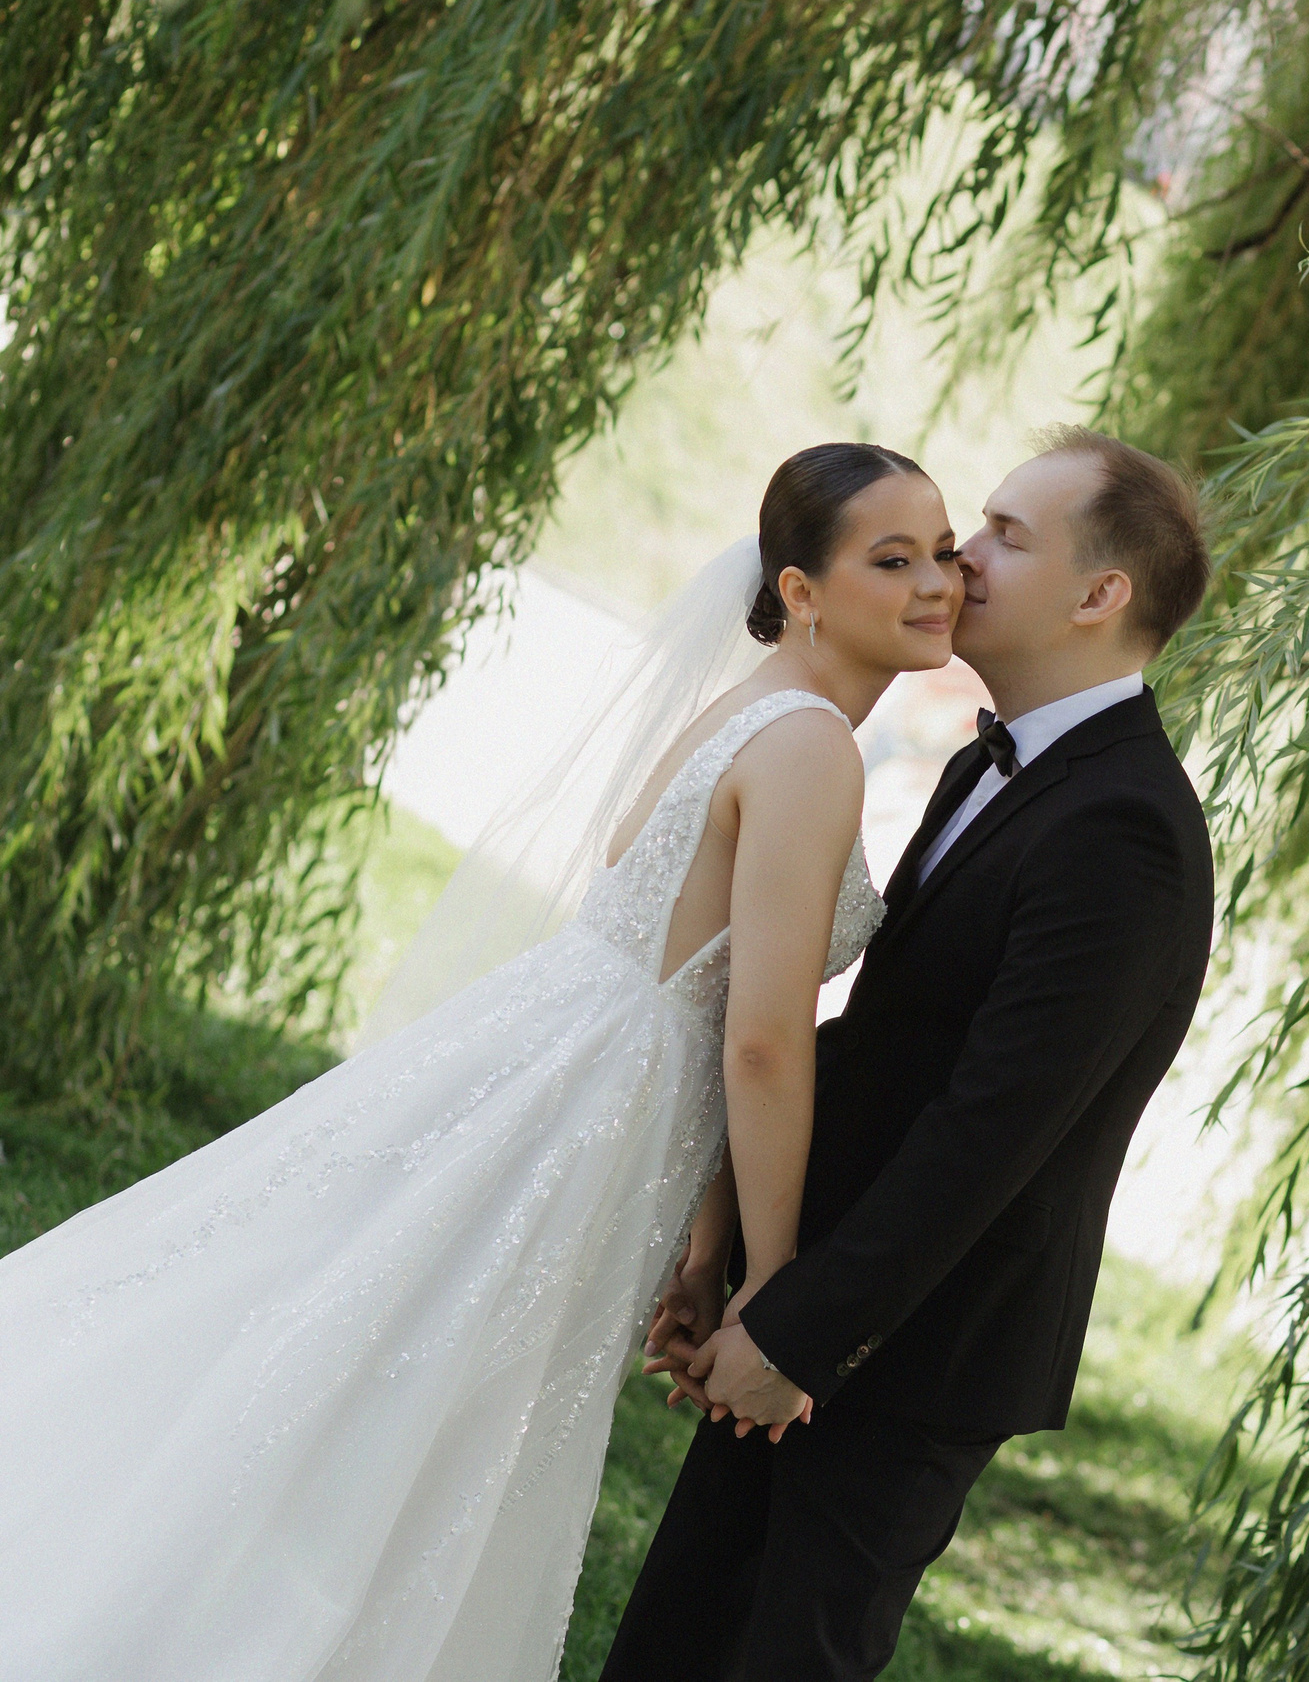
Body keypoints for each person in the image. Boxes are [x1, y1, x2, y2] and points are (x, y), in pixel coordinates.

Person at [0, 443, 957, 1682]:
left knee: (370, 1369)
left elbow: (707, 988)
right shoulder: (814, 746)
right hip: (585, 1113)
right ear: (803, 587)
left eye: (942, 551)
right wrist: (775, 1287)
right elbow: (761, 1039)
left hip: (573, 1069)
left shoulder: (755, 710)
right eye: (894, 559)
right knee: (413, 1405)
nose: (937, 582)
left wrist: (708, 1237)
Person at [601, 426, 1217, 1681]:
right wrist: (729, 1251)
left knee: (788, 1656)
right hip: (819, 1283)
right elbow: (873, 1048)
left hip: (916, 1341)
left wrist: (799, 1333)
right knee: (675, 1636)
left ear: (1102, 597)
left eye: (1003, 535)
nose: (960, 559)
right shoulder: (990, 764)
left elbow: (992, 1129)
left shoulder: (1126, 830)